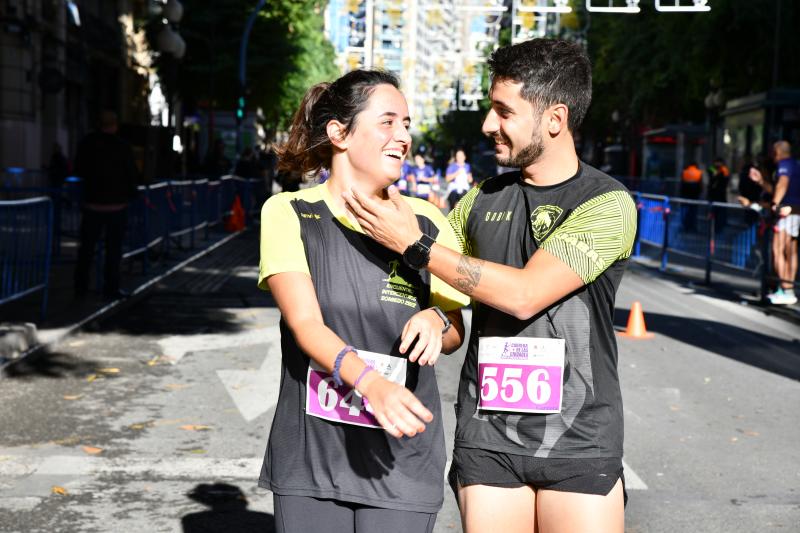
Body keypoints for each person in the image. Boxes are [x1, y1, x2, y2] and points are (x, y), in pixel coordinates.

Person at [344, 38, 635, 533]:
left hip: (580, 437)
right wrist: (438, 315)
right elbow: (449, 297)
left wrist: (416, 245)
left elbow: (524, 295)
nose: (487, 125)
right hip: (488, 438)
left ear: (554, 119)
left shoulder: (608, 203)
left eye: (504, 111)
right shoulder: (479, 200)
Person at [257, 69, 470, 532]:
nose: (404, 137)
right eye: (388, 122)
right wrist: (371, 385)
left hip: (402, 456)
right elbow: (306, 325)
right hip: (312, 458)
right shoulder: (289, 212)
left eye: (407, 124)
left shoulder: (427, 219)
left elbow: (455, 326)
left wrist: (437, 320)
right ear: (339, 133)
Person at [73, 111, 139, 300]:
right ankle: (111, 289)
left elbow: (79, 169)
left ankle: (81, 288)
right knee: (113, 250)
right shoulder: (122, 147)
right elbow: (131, 174)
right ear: (115, 126)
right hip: (116, 206)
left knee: (86, 249)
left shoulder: (87, 144)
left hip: (92, 204)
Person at [749, 141, 799, 305]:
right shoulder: (794, 164)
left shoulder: (784, 164)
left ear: (777, 151)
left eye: (772, 152)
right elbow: (778, 186)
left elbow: (782, 184)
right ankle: (787, 289)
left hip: (786, 212)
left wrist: (774, 205)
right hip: (794, 211)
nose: (771, 155)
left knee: (778, 250)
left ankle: (786, 290)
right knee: (790, 251)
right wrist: (761, 181)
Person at [707, 157, 730, 231]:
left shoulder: (724, 170)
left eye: (719, 162)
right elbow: (712, 175)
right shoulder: (712, 168)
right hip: (712, 194)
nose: (717, 164)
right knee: (712, 211)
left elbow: (725, 178)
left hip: (721, 195)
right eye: (716, 162)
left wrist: (719, 174)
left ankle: (720, 226)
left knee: (721, 212)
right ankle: (712, 227)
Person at [680, 161, 703, 232]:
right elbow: (700, 185)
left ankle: (685, 226)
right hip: (695, 196)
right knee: (693, 212)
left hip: (685, 195)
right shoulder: (699, 173)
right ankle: (693, 226)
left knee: (685, 211)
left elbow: (682, 184)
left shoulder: (684, 172)